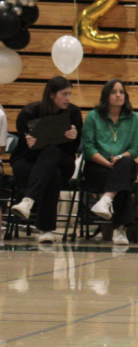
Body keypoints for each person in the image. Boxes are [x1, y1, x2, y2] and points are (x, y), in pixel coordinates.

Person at [9, 76, 84, 243]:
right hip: (29, 161)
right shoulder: (29, 113)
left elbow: (73, 149)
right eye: (64, 94)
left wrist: (74, 137)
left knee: (52, 153)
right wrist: (29, 144)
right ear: (51, 94)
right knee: (52, 174)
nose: (68, 99)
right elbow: (23, 147)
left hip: (63, 160)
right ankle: (46, 229)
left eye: (70, 94)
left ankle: (28, 201)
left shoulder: (73, 113)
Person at [82, 79, 138, 245]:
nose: (118, 95)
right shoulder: (93, 116)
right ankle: (120, 230)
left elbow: (137, 148)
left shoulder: (134, 118)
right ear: (106, 96)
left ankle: (105, 200)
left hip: (121, 163)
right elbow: (88, 147)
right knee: (124, 183)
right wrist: (107, 163)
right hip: (97, 166)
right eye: (114, 92)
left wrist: (119, 157)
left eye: (121, 92)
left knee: (126, 163)